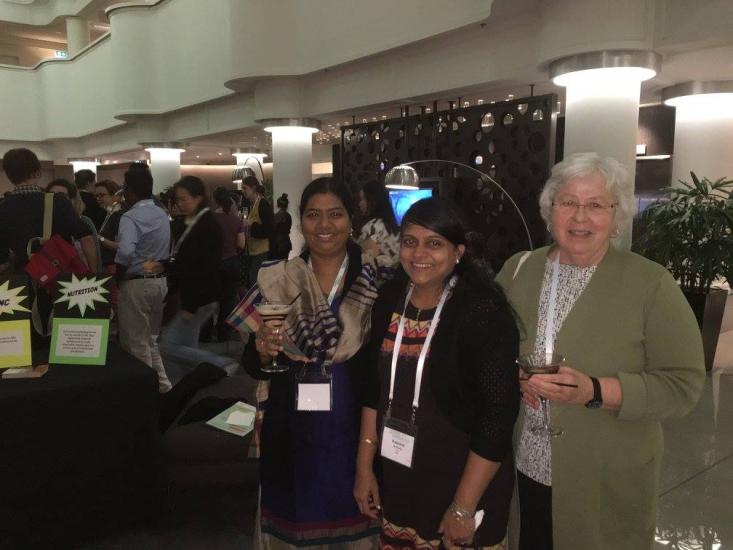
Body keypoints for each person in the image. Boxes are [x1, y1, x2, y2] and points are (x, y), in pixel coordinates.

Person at [495, 152, 705, 550]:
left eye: (595, 205)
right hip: (526, 466)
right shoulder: (519, 270)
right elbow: (488, 349)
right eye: (568, 202)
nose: (580, 217)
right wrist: (512, 375)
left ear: (616, 216)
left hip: (606, 477)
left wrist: (594, 390)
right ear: (549, 209)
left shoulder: (651, 284)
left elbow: (683, 385)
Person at [234, 177, 392, 548]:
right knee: (293, 517)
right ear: (300, 221)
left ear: (352, 219)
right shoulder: (279, 278)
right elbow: (251, 362)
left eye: (335, 214)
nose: (324, 225)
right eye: (313, 215)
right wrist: (260, 350)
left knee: (357, 516)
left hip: (358, 424)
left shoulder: (379, 279)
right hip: (291, 426)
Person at [354, 197, 520, 549]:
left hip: (462, 480)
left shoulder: (482, 311)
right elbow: (374, 388)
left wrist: (462, 507)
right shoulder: (390, 298)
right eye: (410, 242)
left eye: (434, 243)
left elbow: (497, 419)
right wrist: (364, 467)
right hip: (400, 475)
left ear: (458, 251)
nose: (419, 254)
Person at [0, 149, 97, 347]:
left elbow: (2, 260)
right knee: (67, 341)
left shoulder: (3, 208)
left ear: (9, 175)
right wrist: (93, 274)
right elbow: (85, 237)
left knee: (27, 343)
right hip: (62, 280)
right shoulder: (57, 202)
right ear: (37, 172)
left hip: (22, 285)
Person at [156, 176, 239, 375]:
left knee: (166, 345)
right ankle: (190, 384)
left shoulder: (207, 225)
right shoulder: (191, 222)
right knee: (186, 347)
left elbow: (203, 267)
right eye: (178, 200)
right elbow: (186, 260)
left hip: (201, 297)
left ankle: (219, 363)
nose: (180, 204)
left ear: (198, 197)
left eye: (184, 199)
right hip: (196, 295)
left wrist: (190, 305)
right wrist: (164, 266)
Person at [115, 164, 172, 392]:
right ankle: (164, 387)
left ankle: (144, 394)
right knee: (151, 340)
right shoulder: (161, 213)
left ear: (129, 190)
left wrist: (118, 277)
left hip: (136, 283)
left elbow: (126, 252)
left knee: (136, 343)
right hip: (159, 282)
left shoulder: (130, 217)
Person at [47, 178, 102, 273]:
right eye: (52, 196)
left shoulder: (84, 221)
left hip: (82, 277)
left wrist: (95, 276)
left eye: (61, 196)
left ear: (72, 200)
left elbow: (95, 252)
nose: (56, 201)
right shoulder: (45, 224)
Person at [212, 186, 246, 341]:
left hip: (214, 263)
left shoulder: (210, 219)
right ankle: (223, 332)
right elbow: (241, 244)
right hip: (231, 262)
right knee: (229, 299)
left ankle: (207, 332)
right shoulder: (236, 220)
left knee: (212, 298)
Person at [357, 180, 400, 264]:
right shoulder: (394, 225)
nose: (359, 204)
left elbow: (361, 258)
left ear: (372, 201)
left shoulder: (371, 227)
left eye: (362, 199)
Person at [241, 175, 274, 287]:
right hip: (253, 251)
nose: (243, 191)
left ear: (253, 188)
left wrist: (250, 225)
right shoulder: (251, 205)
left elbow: (268, 230)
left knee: (256, 282)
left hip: (261, 251)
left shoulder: (263, 205)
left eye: (245, 188)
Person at [271, 193, 292, 260]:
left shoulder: (275, 216)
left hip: (277, 244)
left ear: (278, 205)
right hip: (286, 242)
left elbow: (273, 230)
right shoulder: (288, 216)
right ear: (287, 205)